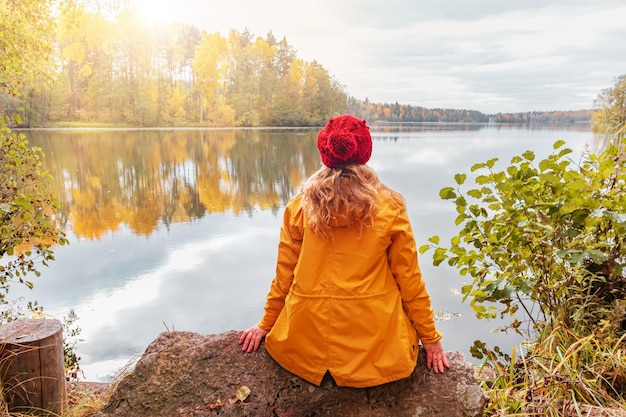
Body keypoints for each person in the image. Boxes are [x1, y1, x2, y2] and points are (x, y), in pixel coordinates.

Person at [239, 114, 449, 388]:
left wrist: (265, 324)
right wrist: (430, 339)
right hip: (372, 349)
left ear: (324, 152)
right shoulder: (390, 207)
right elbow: (409, 281)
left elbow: (284, 276)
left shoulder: (298, 206)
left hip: (304, 346)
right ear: (365, 153)